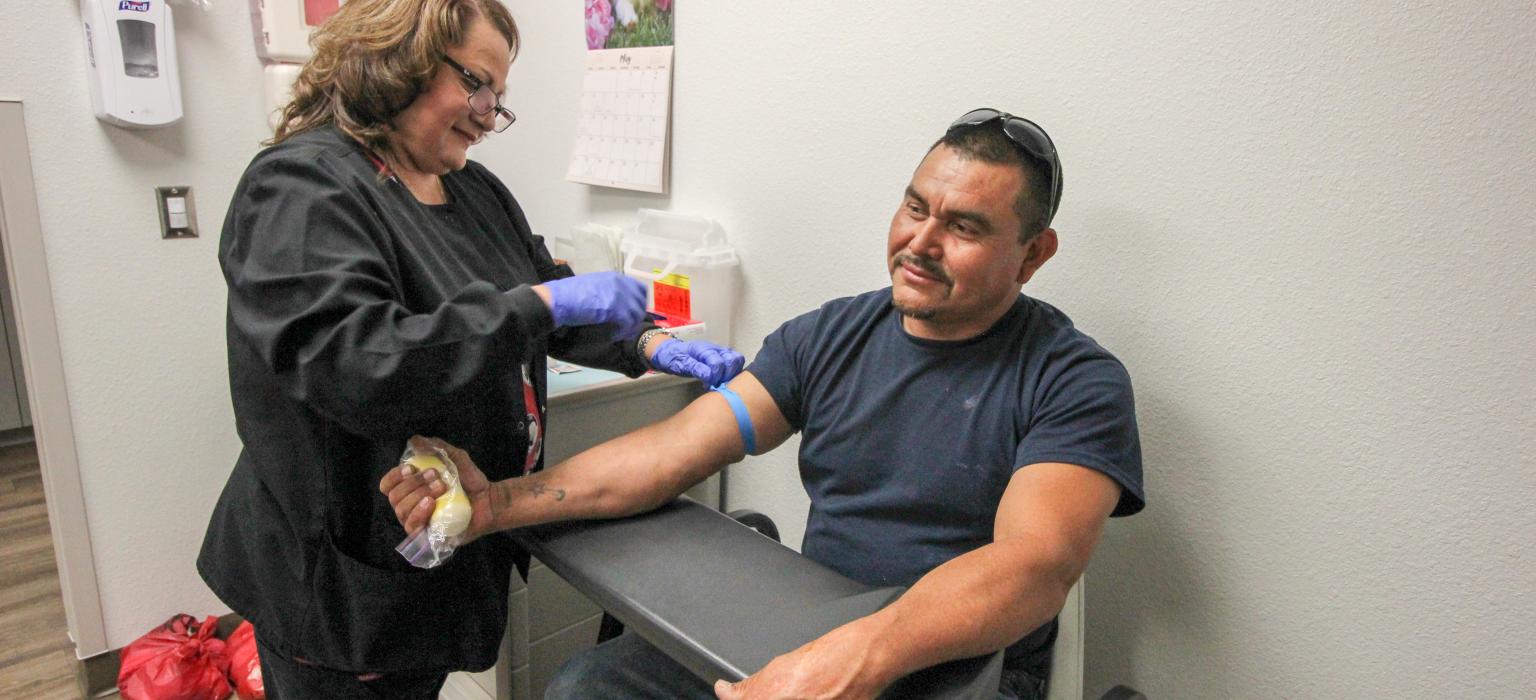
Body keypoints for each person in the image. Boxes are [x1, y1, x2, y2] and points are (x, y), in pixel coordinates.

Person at [382, 108, 1144, 700]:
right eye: (916, 208)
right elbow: (670, 451)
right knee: (589, 687)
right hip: (813, 629)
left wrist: (855, 658)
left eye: (965, 227)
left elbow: (1032, 567)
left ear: (1034, 255)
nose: (922, 241)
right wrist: (495, 504)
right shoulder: (835, 334)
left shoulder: (1074, 380)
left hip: (956, 665)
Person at [195, 1, 743, 697]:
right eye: (475, 83)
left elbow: (544, 294)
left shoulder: (473, 189)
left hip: (435, 547)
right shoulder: (302, 187)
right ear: (399, 58)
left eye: (500, 98)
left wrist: (647, 341)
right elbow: (359, 362)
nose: (488, 112)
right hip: (338, 576)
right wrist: (539, 305)